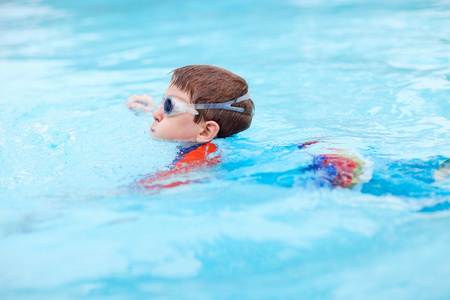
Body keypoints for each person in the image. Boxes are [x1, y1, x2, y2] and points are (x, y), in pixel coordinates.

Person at [126, 65, 255, 189]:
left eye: (170, 106)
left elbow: (157, 185)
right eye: (164, 101)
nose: (156, 114)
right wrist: (148, 109)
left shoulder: (203, 157)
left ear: (205, 131)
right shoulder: (200, 142)